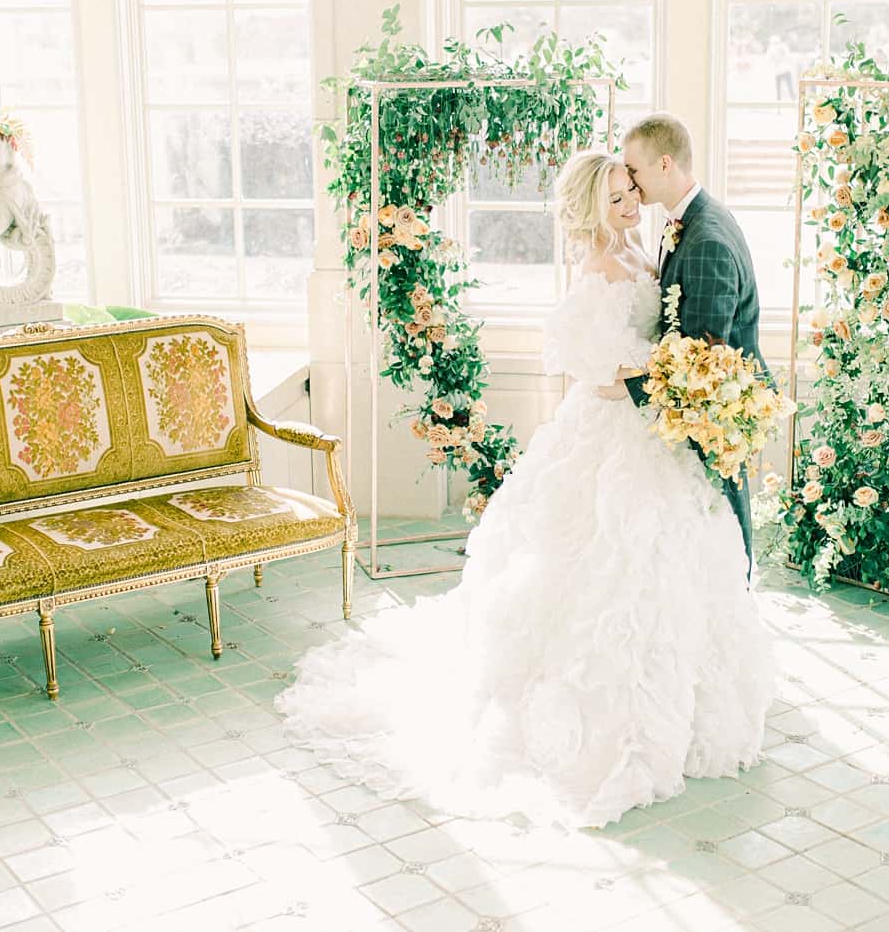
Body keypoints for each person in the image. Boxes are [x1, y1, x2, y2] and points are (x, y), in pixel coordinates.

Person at [275, 149, 774, 830]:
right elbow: (588, 364)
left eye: (632, 191)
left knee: (671, 561)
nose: (631, 204)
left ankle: (686, 699)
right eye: (619, 197)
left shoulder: (651, 253)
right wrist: (649, 377)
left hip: (656, 429)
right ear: (595, 207)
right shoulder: (597, 269)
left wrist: (672, 378)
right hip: (612, 429)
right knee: (598, 565)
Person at [620, 113, 769, 582]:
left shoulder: (705, 239)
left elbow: (704, 359)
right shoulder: (687, 219)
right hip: (706, 404)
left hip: (716, 408)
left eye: (634, 171)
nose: (630, 182)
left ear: (665, 164)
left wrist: (628, 385)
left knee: (720, 512)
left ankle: (734, 602)